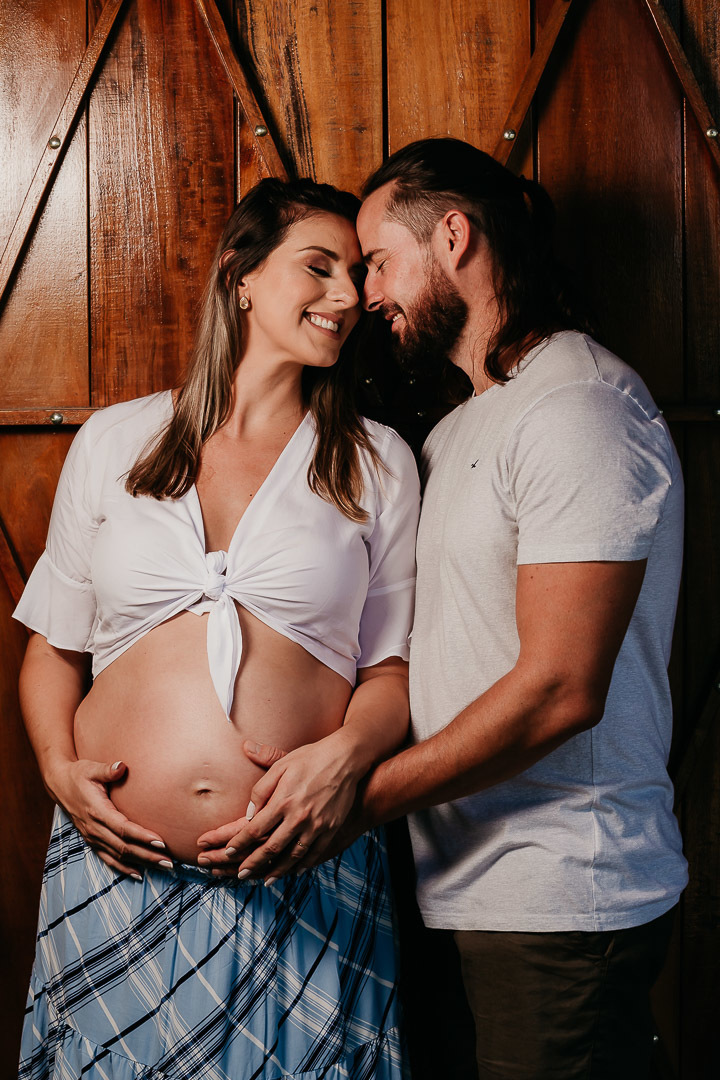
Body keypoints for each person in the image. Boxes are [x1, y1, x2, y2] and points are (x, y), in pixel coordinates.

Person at [227, 140, 688, 1080]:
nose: (367, 295)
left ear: (454, 234)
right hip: (462, 889)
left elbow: (561, 689)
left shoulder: (579, 406)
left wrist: (350, 800)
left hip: (561, 900)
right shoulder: (466, 420)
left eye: (380, 262)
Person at [13, 177, 419, 1078]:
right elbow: (54, 649)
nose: (349, 296)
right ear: (241, 273)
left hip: (303, 870)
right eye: (319, 267)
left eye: (357, 274)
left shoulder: (377, 460)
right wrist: (57, 772)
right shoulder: (117, 442)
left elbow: (390, 675)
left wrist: (343, 762)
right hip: (114, 875)